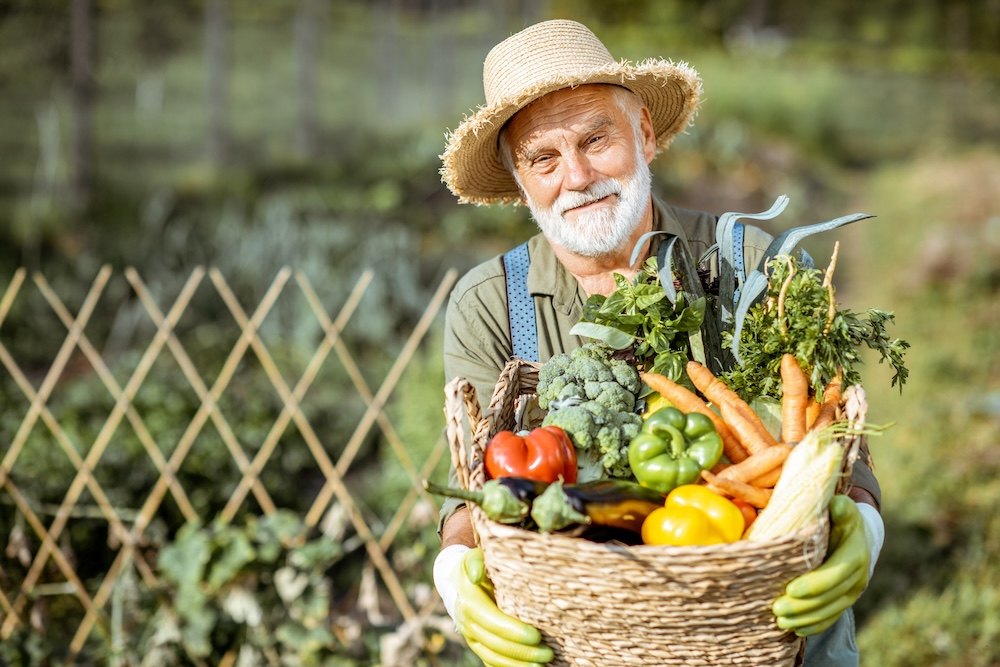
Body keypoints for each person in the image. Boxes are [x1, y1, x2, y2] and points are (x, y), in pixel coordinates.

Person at [432, 18, 884, 667]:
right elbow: (470, 486)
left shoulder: (752, 262)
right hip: (577, 642)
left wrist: (861, 526)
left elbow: (838, 446)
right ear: (518, 179)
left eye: (595, 138)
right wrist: (457, 572)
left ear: (643, 132)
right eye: (544, 158)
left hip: (765, 632)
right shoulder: (490, 302)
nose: (578, 175)